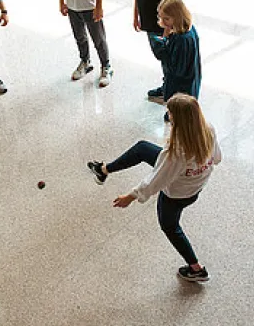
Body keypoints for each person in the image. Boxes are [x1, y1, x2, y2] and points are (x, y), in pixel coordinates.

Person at [87, 94, 220, 282]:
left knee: (170, 227)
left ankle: (196, 268)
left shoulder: (176, 152)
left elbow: (156, 181)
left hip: (177, 196)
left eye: (170, 112)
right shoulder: (208, 130)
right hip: (195, 187)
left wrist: (131, 196)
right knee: (142, 148)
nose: (168, 115)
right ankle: (104, 170)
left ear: (180, 119)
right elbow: (217, 158)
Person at [134, 0, 183, 100]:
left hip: (163, 29)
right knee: (162, 61)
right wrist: (136, 14)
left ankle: (172, 93)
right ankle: (167, 86)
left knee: (169, 63)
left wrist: (167, 33)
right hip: (149, 24)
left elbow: (175, 8)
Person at [150, 0, 201, 116]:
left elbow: (175, 67)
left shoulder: (181, 39)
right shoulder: (187, 29)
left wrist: (161, 45)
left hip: (181, 80)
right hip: (189, 73)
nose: (162, 22)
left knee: (180, 99)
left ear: (177, 17)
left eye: (166, 19)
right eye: (160, 17)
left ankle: (176, 112)